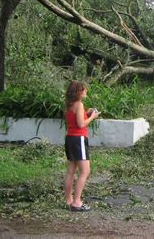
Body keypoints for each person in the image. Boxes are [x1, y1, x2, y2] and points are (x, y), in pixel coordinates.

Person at [64, 81, 100, 212]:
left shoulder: (70, 105)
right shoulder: (79, 105)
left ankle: (69, 200)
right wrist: (93, 117)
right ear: (78, 92)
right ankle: (77, 202)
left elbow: (75, 119)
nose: (86, 92)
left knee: (71, 171)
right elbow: (81, 124)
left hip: (70, 138)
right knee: (85, 171)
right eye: (84, 90)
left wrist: (87, 112)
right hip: (79, 139)